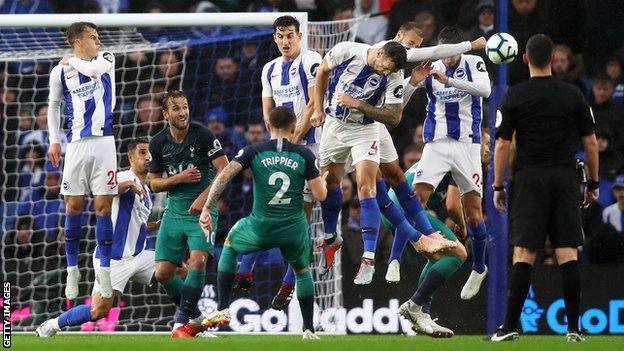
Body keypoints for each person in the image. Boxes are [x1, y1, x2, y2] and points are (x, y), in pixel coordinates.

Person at [310, 39, 454, 283]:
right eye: (385, 66)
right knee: (330, 184)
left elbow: (394, 117)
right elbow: (323, 71)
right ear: (378, 52)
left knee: (367, 186)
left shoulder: (394, 74)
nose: (387, 72)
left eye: (391, 70)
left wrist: (358, 104)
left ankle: (368, 259)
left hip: (364, 131)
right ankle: (331, 237)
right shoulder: (347, 51)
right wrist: (317, 107)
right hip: (334, 126)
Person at [491, 34, 598, 342]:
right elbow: (590, 142)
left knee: (524, 252)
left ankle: (510, 326)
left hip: (529, 179)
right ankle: (574, 329)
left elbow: (501, 144)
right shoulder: (574, 94)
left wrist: (498, 184)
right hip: (565, 177)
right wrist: (591, 183)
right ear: (553, 59)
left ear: (525, 59)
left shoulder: (514, 95)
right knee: (567, 251)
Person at [199, 107, 328, 340]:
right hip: (293, 228)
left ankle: (222, 308)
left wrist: (207, 206)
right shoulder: (305, 155)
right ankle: (309, 329)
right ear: (293, 128)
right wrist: (324, 182)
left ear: (268, 126)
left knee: (229, 244)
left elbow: (225, 175)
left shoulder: (253, 150)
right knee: (302, 270)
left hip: (261, 226)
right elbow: (320, 195)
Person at [231, 15, 323, 310]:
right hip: (282, 144)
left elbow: (312, 102)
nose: (285, 41)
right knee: (268, 208)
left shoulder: (311, 60)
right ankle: (246, 269)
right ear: (274, 38)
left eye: (290, 36)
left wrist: (296, 136)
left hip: (309, 145)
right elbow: (267, 108)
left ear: (300, 36)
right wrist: (276, 139)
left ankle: (288, 283)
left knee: (301, 217)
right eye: (280, 36)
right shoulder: (269, 69)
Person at [35, 138, 162, 337]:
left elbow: (138, 227)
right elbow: (103, 192)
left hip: (138, 256)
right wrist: (129, 184)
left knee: (173, 269)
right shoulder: (123, 176)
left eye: (149, 153)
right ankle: (53, 324)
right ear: (130, 157)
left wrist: (157, 226)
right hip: (113, 259)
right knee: (99, 311)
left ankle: (189, 321)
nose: (148, 157)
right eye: (142, 152)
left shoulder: (146, 190)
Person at [403, 26, 492, 301]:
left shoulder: (473, 62)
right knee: (415, 200)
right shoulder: (432, 66)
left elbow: (486, 91)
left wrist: (451, 81)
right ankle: (421, 245)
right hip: (437, 143)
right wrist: (412, 83)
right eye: (446, 54)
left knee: (474, 213)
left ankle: (478, 268)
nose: (449, 61)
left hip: (468, 144)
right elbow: (401, 102)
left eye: (453, 55)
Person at [148, 90, 229, 338]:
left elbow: (224, 171)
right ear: (165, 114)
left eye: (185, 107)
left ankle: (181, 322)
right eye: (176, 109)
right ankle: (195, 319)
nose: (183, 113)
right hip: (174, 211)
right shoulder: (158, 143)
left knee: (197, 260)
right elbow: (154, 184)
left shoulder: (202, 135)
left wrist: (204, 200)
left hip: (203, 210)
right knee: (162, 273)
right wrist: (180, 178)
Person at [47, 22, 117, 300]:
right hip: (75, 145)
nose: (99, 41)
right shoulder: (59, 72)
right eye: (93, 37)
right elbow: (53, 105)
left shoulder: (107, 59)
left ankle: (104, 270)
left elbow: (94, 70)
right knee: (73, 206)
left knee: (103, 208)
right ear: (78, 40)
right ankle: (72, 269)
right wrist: (54, 139)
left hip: (104, 144)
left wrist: (73, 59)